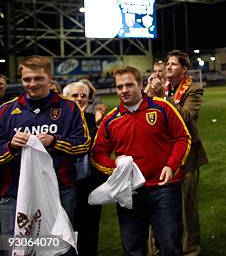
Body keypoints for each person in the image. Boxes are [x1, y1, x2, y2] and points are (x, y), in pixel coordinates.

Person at [91, 66, 191, 255]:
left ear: (140, 84)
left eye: (129, 85)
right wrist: (116, 168)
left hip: (164, 188)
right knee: (133, 247)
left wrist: (171, 165)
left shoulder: (162, 107)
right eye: (120, 86)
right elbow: (97, 154)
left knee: (170, 246)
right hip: (129, 192)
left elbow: (182, 138)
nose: (124, 90)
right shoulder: (110, 120)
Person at [0, 56, 90, 241]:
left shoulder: (70, 108)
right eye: (27, 79)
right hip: (14, 194)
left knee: (59, 247)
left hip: (60, 192)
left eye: (38, 78)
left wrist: (54, 141)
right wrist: (11, 146)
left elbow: (83, 145)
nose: (32, 84)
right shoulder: (5, 111)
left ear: (50, 78)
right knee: (16, 249)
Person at [147, 51, 208, 256]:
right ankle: (158, 248)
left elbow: (188, 117)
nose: (169, 67)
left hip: (187, 154)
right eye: (168, 64)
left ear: (184, 69)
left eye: (174, 64)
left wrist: (164, 98)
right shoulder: (160, 87)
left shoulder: (194, 89)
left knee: (186, 206)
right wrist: (150, 92)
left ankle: (190, 249)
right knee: (158, 201)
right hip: (161, 152)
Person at [63, 81, 106, 255]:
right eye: (75, 95)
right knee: (65, 231)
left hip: (90, 186)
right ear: (64, 98)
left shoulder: (94, 121)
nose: (80, 99)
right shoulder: (56, 122)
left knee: (90, 232)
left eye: (83, 96)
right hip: (63, 187)